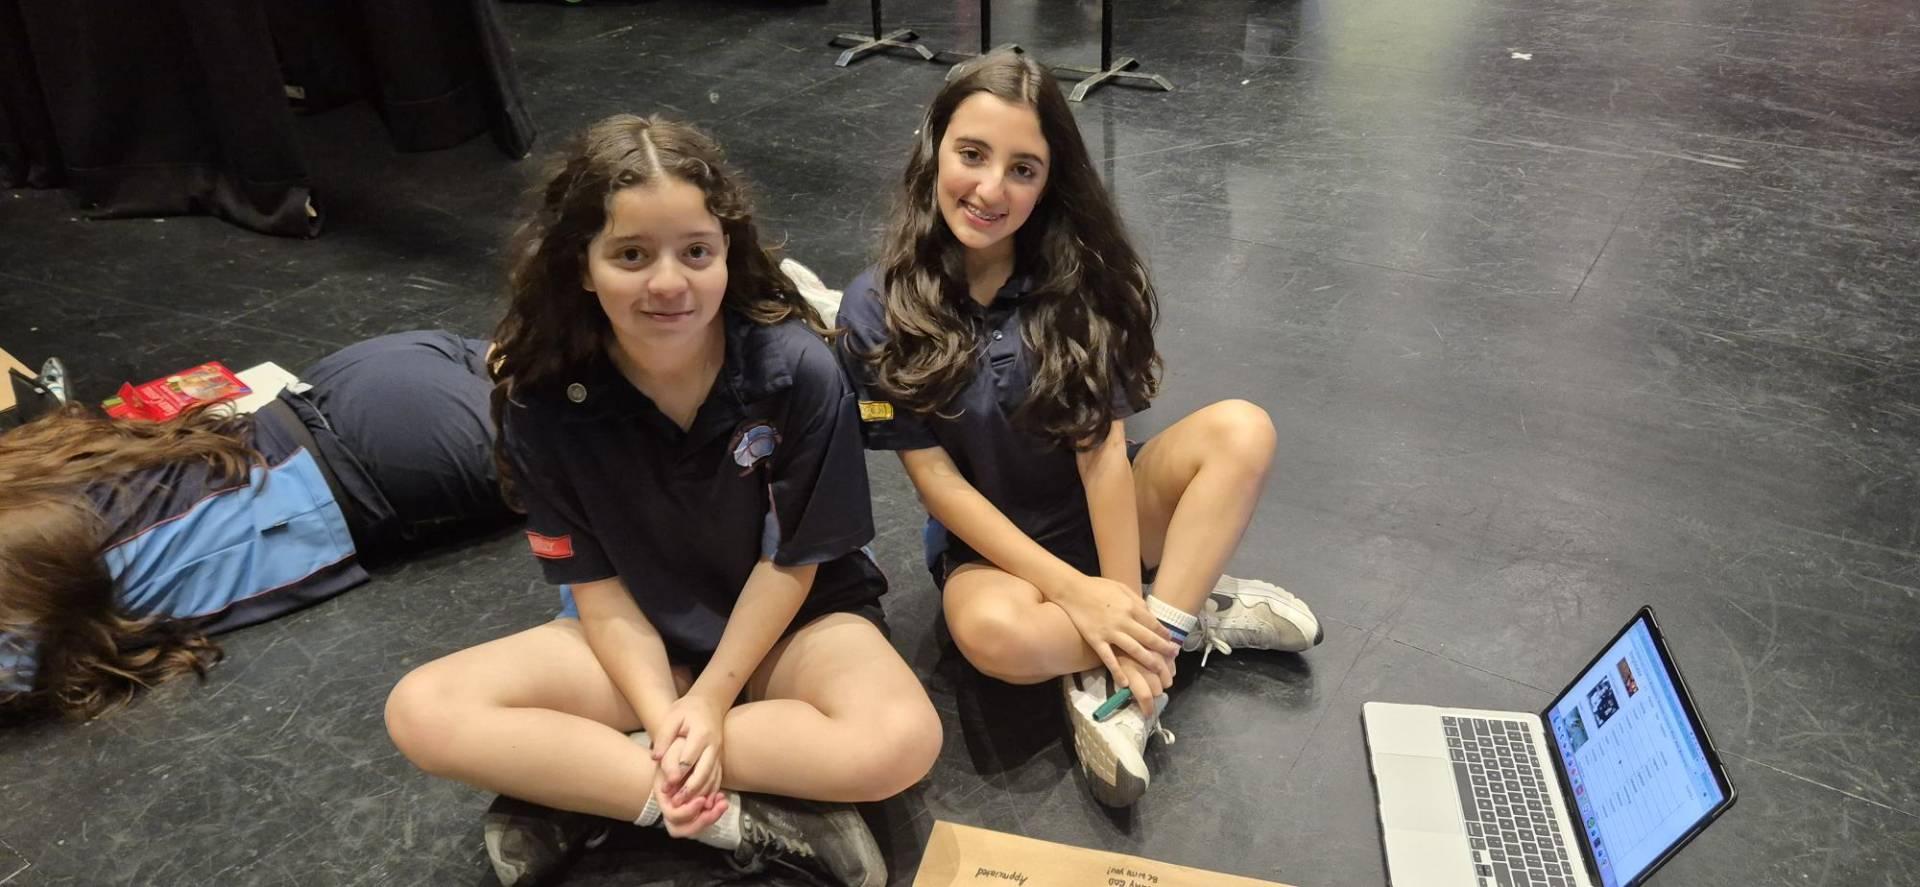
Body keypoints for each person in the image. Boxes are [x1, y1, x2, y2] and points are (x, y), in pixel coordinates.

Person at [382, 115, 941, 887]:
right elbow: (597, 588)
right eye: (632, 255)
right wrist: (665, 709)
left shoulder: (796, 370)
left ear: (727, 251)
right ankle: (737, 815)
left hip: (793, 626)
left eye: (696, 252)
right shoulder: (542, 396)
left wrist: (707, 704)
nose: (670, 282)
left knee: (901, 738)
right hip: (637, 640)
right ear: (582, 265)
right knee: (422, 707)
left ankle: (587, 782)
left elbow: (793, 563)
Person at [835, 52, 1323, 809]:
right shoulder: (874, 306)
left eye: (1023, 169)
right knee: (992, 640)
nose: (991, 189)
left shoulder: (1081, 279)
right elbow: (938, 485)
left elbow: (1102, 457)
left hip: (1109, 510)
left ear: (1049, 180)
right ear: (934, 147)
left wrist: (1118, 604)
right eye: (972, 154)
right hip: (993, 548)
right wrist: (1077, 594)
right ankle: (1183, 617)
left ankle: (1136, 652)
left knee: (1243, 430)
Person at [0, 330, 512, 721]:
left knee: (561, 423)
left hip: (392, 460)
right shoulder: (16, 480)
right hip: (348, 377)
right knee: (545, 341)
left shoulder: (17, 607)